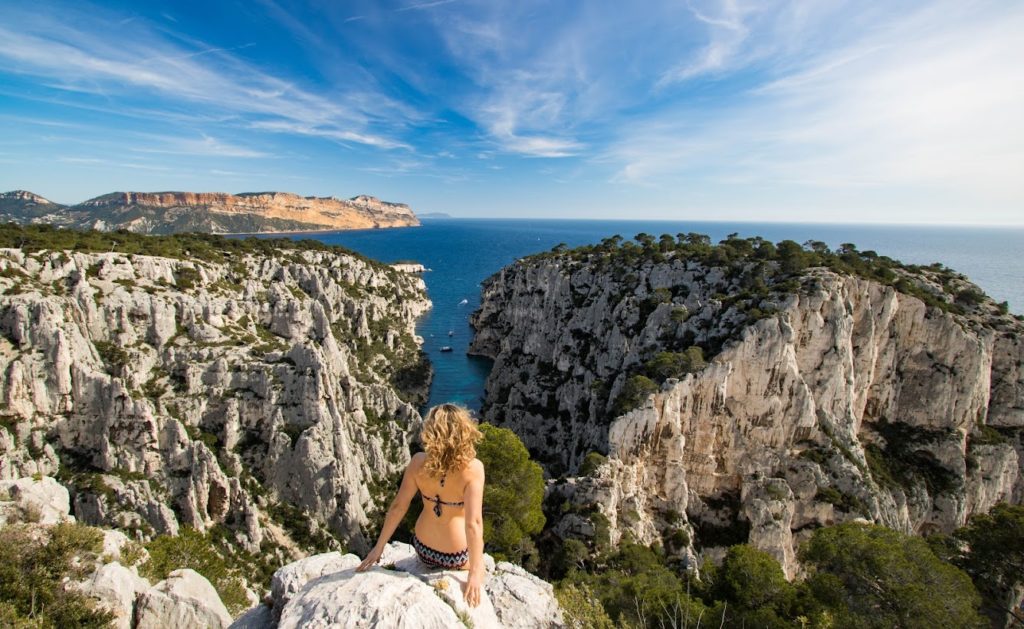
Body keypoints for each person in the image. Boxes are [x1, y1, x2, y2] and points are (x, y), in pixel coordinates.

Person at [356, 403, 486, 607]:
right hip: (456, 557)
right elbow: (474, 524)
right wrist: (476, 571)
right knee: (486, 563)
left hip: (424, 550)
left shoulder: (418, 462)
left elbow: (398, 507)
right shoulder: (473, 469)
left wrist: (378, 548)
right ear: (465, 432)